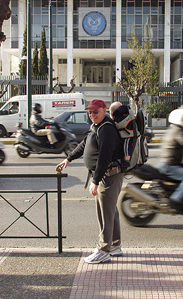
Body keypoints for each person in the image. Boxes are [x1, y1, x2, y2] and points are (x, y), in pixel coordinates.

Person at [57, 99, 124, 264]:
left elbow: (104, 157)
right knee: (110, 211)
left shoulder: (107, 129)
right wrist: (69, 159)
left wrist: (95, 180)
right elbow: (84, 144)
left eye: (95, 111)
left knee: (105, 214)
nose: (92, 115)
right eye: (90, 112)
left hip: (108, 176)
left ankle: (103, 250)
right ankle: (115, 246)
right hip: (106, 175)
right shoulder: (97, 126)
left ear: (104, 110)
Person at [109, 101, 133, 167]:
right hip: (128, 135)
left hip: (127, 136)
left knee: (126, 149)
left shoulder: (118, 118)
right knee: (126, 149)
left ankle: (126, 162)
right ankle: (125, 161)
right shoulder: (126, 117)